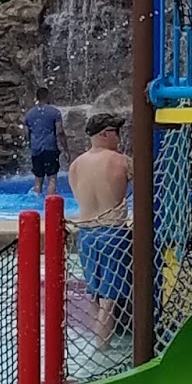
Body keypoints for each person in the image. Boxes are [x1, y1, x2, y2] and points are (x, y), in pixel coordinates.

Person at [68, 112, 132, 349]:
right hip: (113, 233)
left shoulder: (75, 166)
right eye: (117, 133)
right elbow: (148, 186)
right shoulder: (121, 161)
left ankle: (98, 341)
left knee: (94, 292)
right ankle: (102, 347)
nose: (120, 138)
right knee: (109, 298)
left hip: (86, 235)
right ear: (105, 134)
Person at [22, 85, 67, 200]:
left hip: (36, 150)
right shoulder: (54, 112)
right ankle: (50, 203)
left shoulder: (29, 114)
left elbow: (26, 134)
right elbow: (60, 131)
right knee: (52, 178)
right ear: (47, 96)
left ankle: (36, 202)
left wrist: (32, 146)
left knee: (38, 179)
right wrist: (65, 149)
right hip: (50, 148)